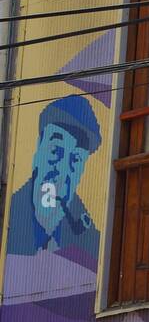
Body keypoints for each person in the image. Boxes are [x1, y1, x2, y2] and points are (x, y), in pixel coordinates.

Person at [7, 95, 101, 266]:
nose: (62, 170)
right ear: (38, 151)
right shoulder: (8, 218)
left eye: (76, 160)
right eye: (55, 150)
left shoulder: (92, 244)